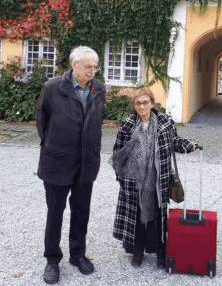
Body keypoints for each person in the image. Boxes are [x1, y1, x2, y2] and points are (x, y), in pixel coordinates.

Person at [36, 46, 105, 284]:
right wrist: (54, 146)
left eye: (95, 67)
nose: (92, 72)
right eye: (88, 67)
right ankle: (52, 259)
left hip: (86, 161)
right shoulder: (53, 88)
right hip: (58, 161)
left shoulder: (99, 88)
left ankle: (77, 255)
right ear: (74, 64)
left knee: (81, 211)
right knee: (55, 212)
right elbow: (41, 121)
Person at [110, 87, 197, 269]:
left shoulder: (165, 122)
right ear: (134, 105)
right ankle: (137, 251)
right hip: (134, 179)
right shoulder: (127, 125)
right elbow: (118, 152)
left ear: (152, 103)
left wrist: (189, 145)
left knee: (158, 215)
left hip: (158, 177)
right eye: (137, 103)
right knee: (135, 213)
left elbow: (175, 142)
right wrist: (122, 175)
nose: (141, 106)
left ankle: (159, 251)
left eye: (145, 102)